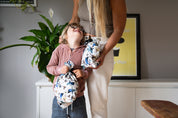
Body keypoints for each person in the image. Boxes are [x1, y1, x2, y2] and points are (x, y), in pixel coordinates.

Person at [69, 0, 127, 118]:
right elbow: (75, 19)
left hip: (101, 47)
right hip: (79, 44)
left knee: (98, 103)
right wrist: (66, 39)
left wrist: (103, 53)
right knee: (71, 94)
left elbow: (118, 29)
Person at [47, 23, 92, 118]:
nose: (78, 28)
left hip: (78, 98)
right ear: (66, 35)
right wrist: (60, 70)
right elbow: (49, 67)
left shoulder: (85, 51)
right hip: (59, 98)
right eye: (74, 27)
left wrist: (83, 73)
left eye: (80, 29)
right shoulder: (59, 49)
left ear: (82, 37)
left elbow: (89, 70)